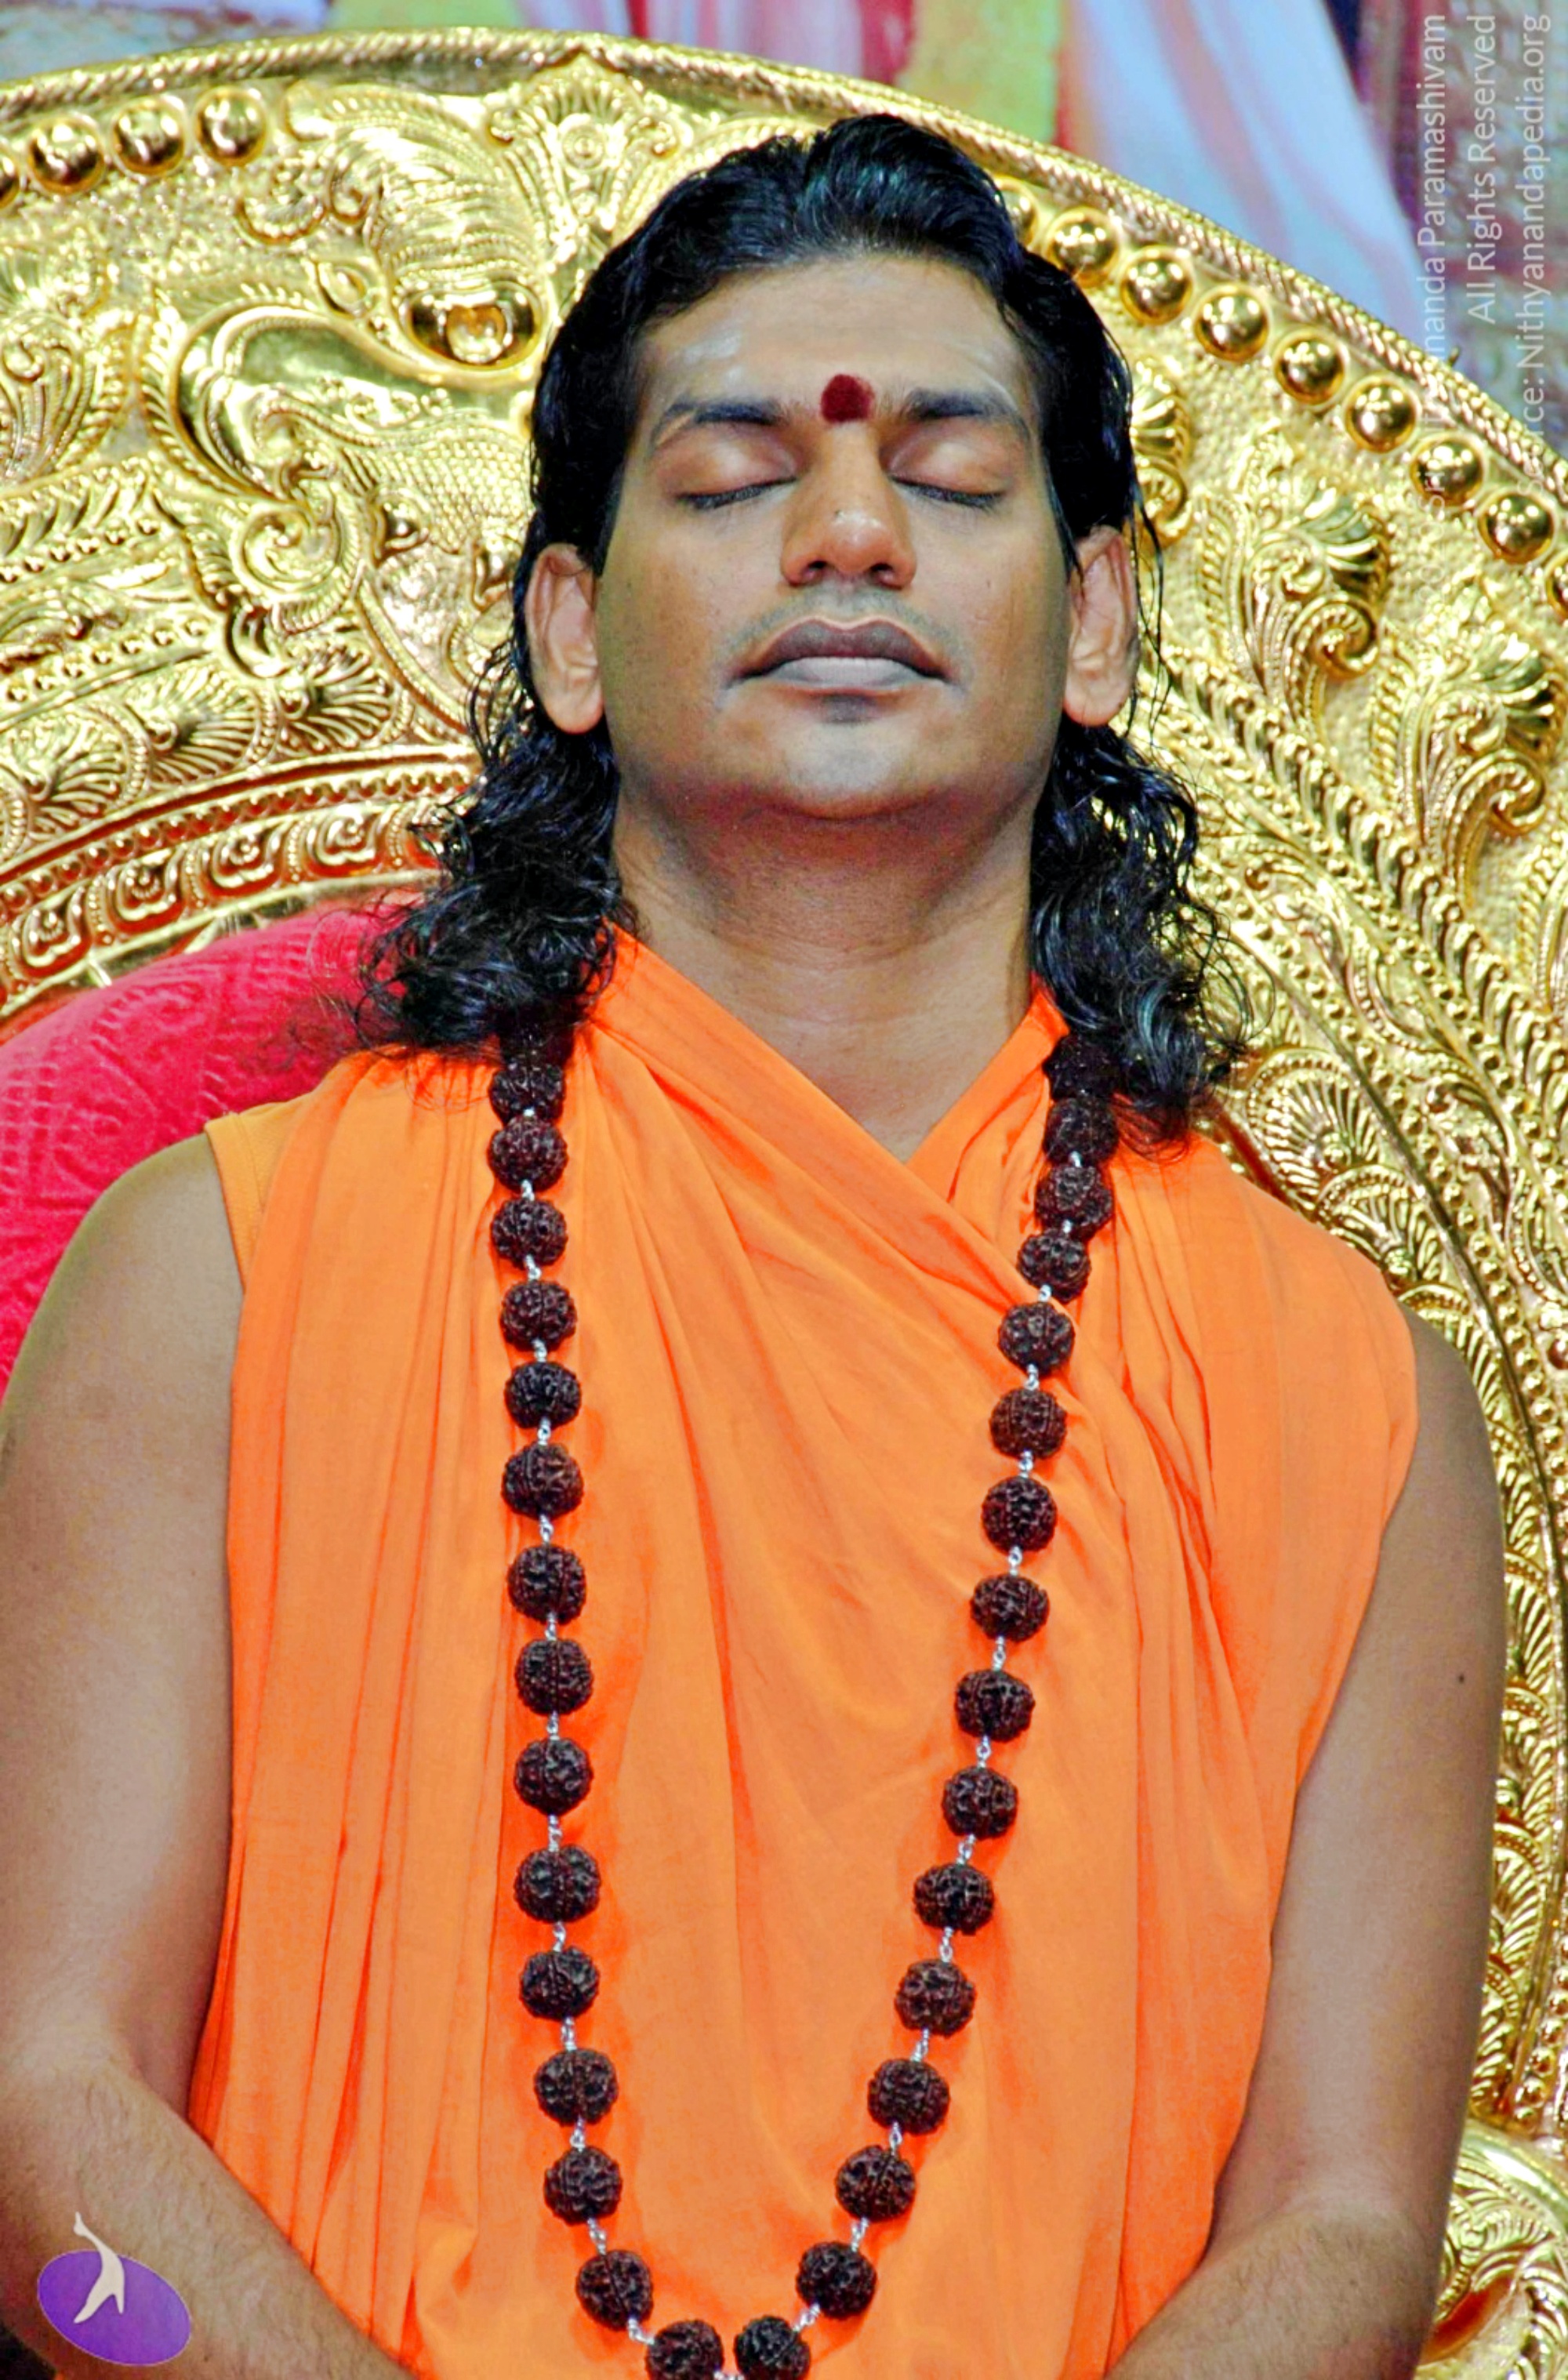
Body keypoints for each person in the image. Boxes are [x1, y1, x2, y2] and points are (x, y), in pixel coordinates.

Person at [0, 112, 1504, 2380]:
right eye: (729, 478)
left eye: (952, 477)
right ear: (570, 632)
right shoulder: (215, 1282)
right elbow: (43, 2160)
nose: (849, 532)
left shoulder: (1339, 1396)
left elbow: (1352, 2227)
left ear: (1096, 625)